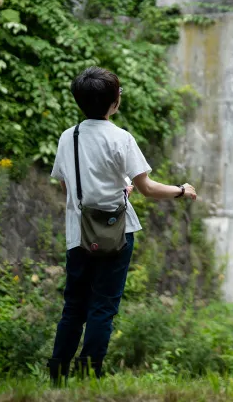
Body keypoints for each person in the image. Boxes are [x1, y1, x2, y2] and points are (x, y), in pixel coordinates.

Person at [47, 67, 197, 383]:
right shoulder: (121, 138)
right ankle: (89, 375)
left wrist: (109, 190)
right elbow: (148, 188)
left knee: (73, 306)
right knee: (102, 306)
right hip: (117, 233)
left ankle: (57, 375)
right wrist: (182, 191)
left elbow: (68, 186)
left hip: (79, 235)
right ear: (114, 102)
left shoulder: (68, 137)